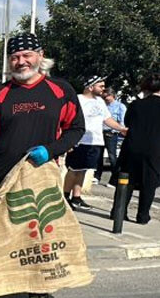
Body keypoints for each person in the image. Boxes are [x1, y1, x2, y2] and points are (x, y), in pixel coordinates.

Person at [0, 32, 84, 298]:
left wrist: (51, 150)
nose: (21, 62)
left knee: (38, 235)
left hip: (40, 177)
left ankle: (38, 290)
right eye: (15, 57)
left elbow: (75, 129)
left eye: (26, 55)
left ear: (39, 55)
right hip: (1, 177)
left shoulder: (60, 91)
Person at [64, 76, 127, 210]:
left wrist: (121, 128)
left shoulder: (100, 102)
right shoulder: (78, 99)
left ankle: (77, 197)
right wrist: (68, 140)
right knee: (73, 170)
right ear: (91, 87)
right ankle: (65, 196)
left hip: (95, 141)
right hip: (80, 140)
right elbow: (67, 119)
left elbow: (107, 119)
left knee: (84, 170)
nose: (103, 89)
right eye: (101, 86)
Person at [114, 73, 160, 225]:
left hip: (132, 146)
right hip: (154, 148)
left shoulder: (135, 105)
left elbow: (127, 121)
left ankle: (118, 211)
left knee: (127, 181)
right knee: (149, 182)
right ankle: (142, 216)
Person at [96, 87, 126, 187]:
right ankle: (97, 176)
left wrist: (117, 130)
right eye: (104, 97)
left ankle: (114, 178)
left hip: (111, 133)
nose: (106, 99)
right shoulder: (104, 105)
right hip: (100, 131)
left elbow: (122, 121)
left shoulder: (120, 106)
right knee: (99, 155)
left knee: (112, 156)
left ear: (112, 95)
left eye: (107, 96)